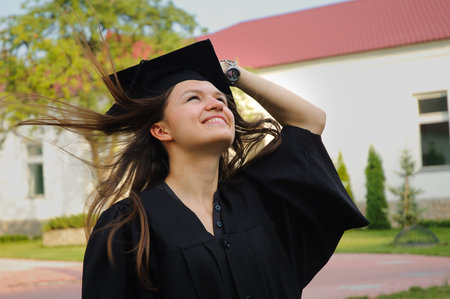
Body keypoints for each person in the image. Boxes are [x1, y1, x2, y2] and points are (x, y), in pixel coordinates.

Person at [19, 39, 368, 298]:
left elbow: (309, 120)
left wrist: (232, 72)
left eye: (220, 98)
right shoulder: (128, 226)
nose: (215, 102)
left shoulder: (260, 197)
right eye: (193, 98)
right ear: (161, 130)